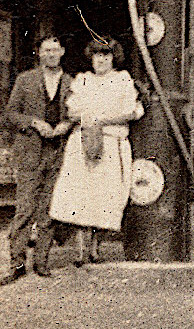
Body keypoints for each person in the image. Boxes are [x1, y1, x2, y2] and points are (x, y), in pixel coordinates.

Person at [48, 36, 144, 263]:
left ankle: (95, 248)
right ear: (90, 58)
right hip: (82, 143)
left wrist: (99, 118)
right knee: (81, 196)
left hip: (111, 143)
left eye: (106, 55)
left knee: (107, 196)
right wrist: (91, 118)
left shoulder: (122, 80)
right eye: (97, 55)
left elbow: (130, 112)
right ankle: (82, 250)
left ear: (113, 58)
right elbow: (72, 112)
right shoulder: (83, 80)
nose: (101, 60)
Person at [1, 35, 73, 285]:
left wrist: (66, 125)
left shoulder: (71, 83)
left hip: (58, 152)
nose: (51, 54)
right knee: (25, 210)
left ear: (62, 52)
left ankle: (41, 262)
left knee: (48, 211)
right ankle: (17, 264)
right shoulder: (25, 80)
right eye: (46, 50)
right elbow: (10, 114)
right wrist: (33, 123)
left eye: (55, 49)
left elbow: (79, 114)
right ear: (39, 54)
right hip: (30, 152)